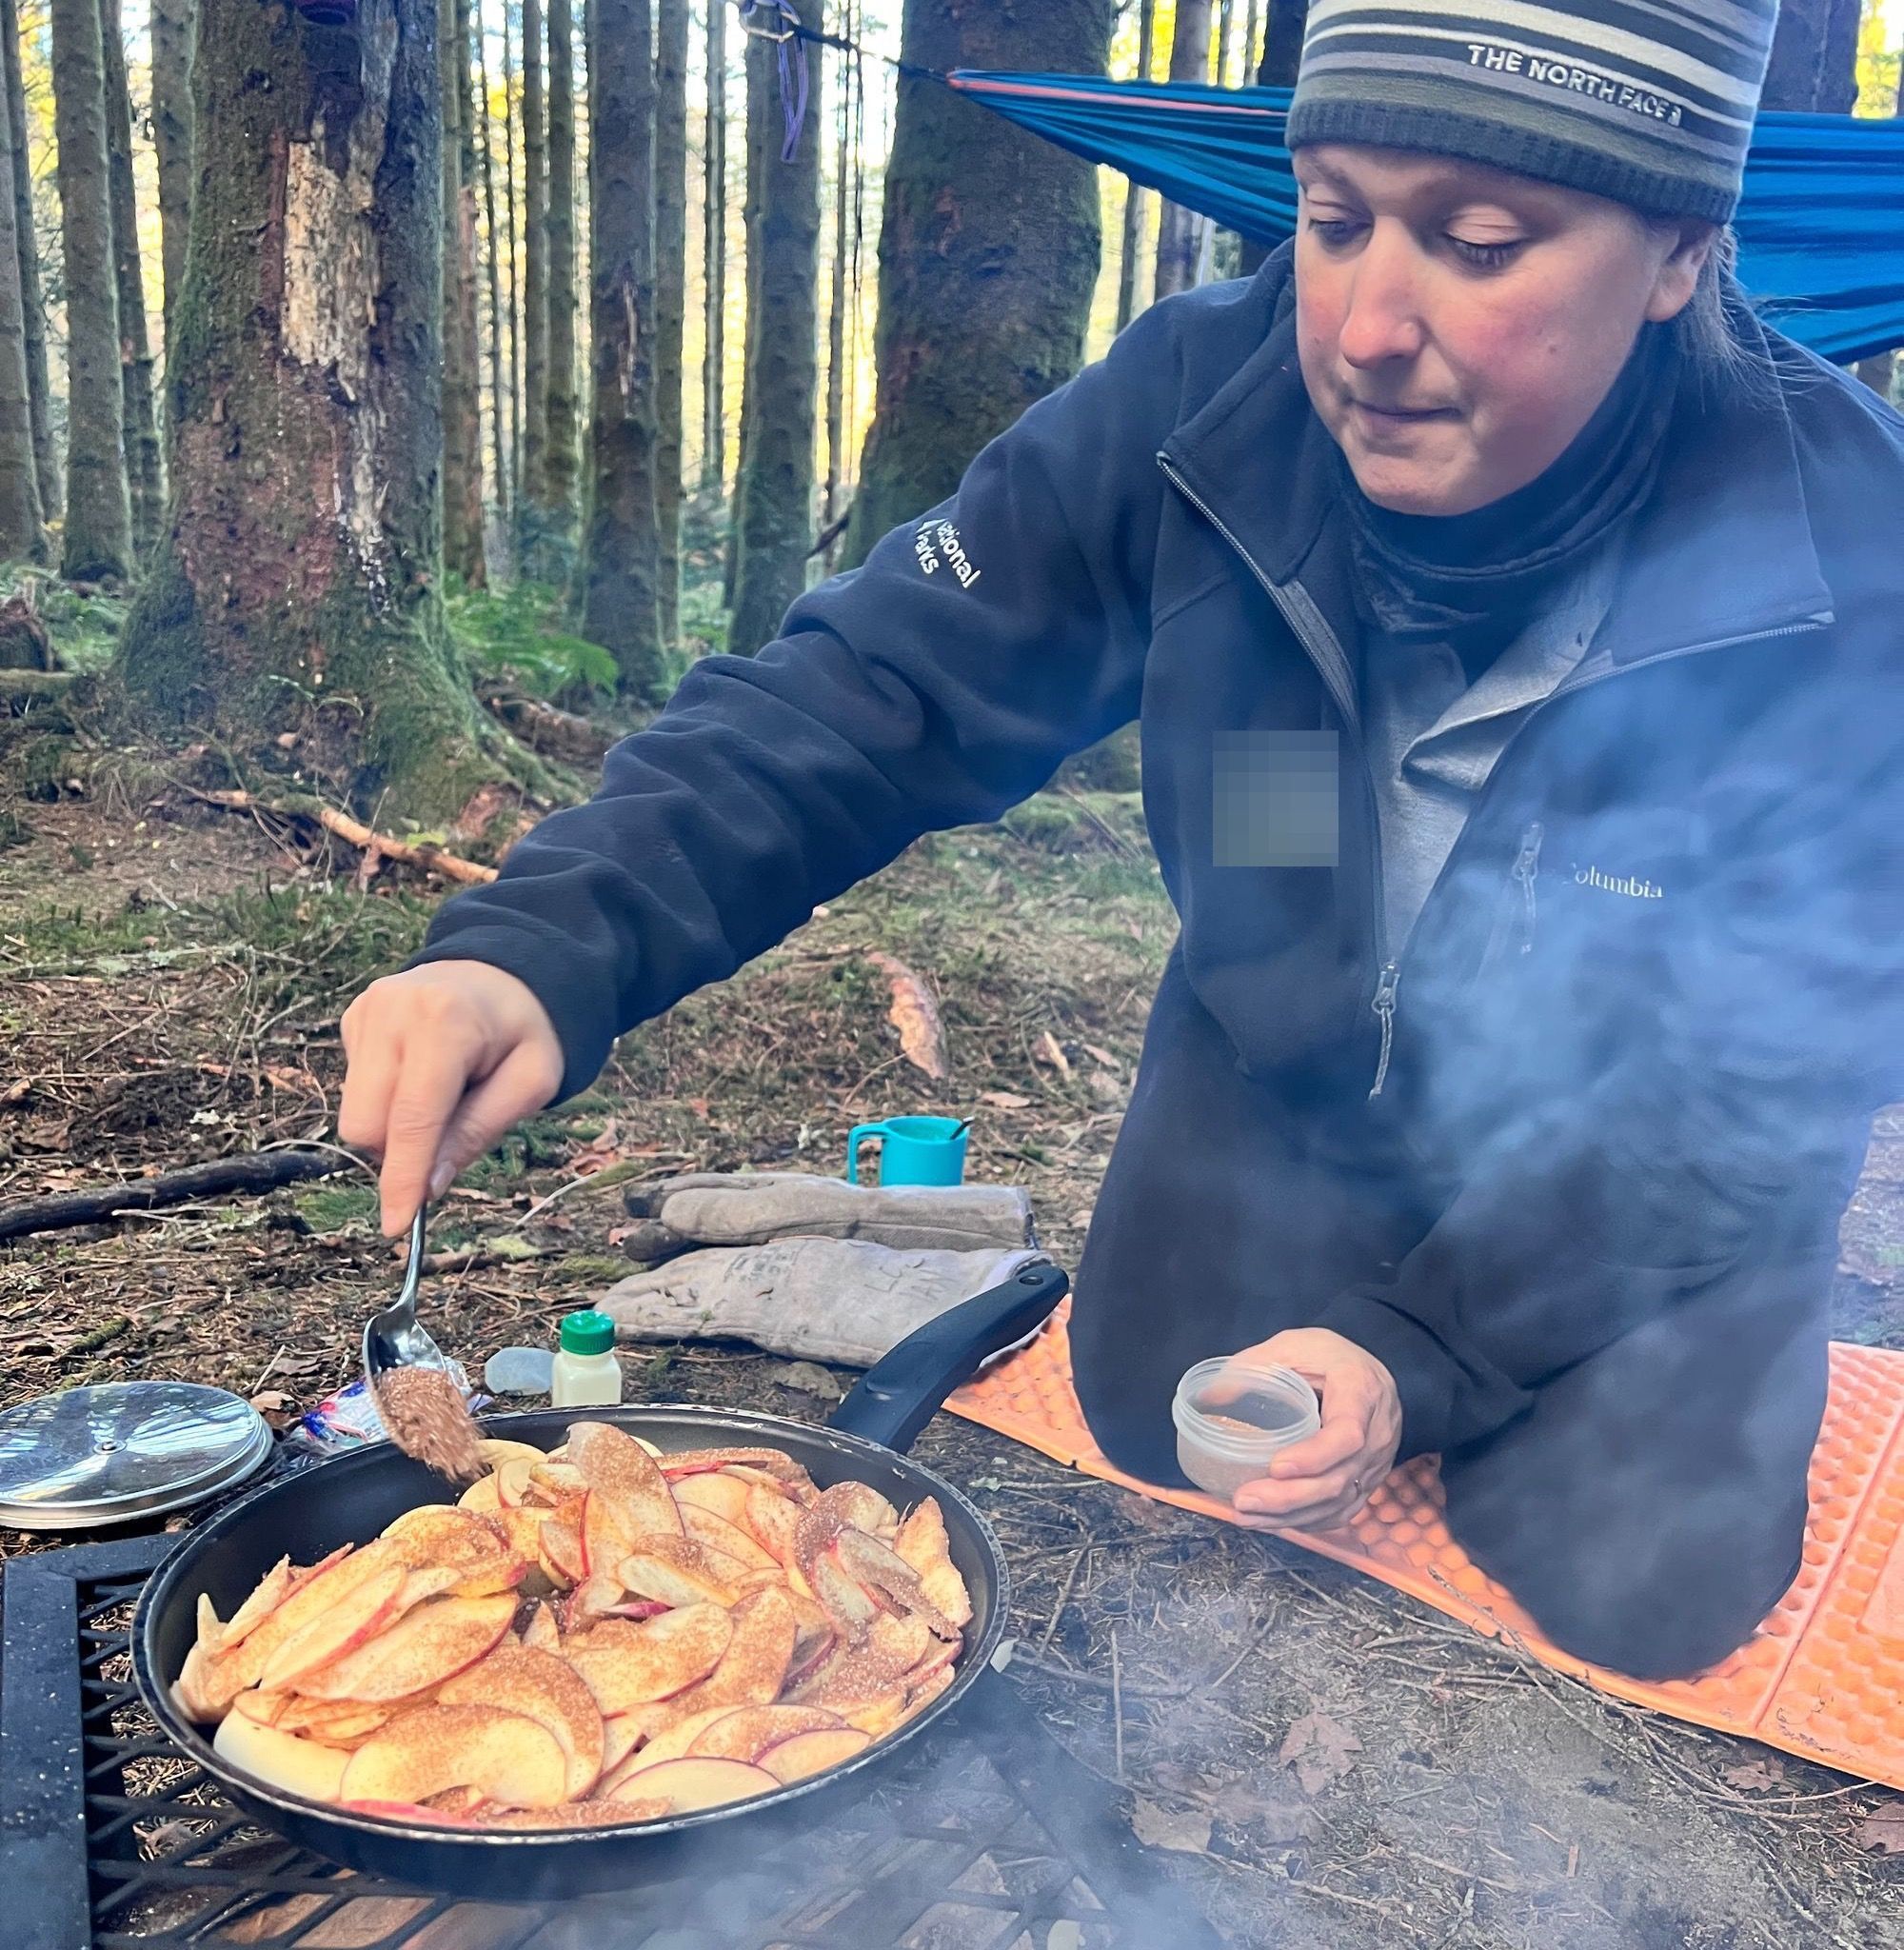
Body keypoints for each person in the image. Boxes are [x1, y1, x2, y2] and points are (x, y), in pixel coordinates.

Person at [340, 1, 1904, 1681]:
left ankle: (1511, 1356)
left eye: (1476, 242)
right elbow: (870, 691)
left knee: (1647, 1587)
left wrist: (1415, 1351)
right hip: (1289, 1066)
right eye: (1333, 220)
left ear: (1677, 251)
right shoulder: (1196, 412)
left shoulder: (1834, 565)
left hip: (1635, 1147)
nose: (1368, 325)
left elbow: (1749, 1100)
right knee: (1164, 1410)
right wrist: (547, 941)